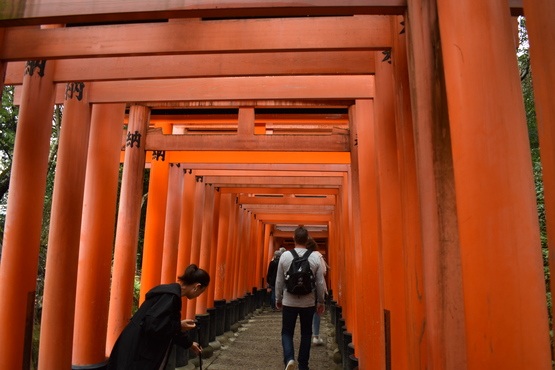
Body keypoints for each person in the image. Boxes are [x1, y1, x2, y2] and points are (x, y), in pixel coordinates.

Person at [107, 264, 210, 370]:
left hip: (134, 344)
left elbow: (164, 324)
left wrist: (188, 343)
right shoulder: (170, 297)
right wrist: (178, 326)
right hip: (138, 348)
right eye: (202, 291)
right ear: (197, 286)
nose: (199, 295)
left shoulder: (169, 293)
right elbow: (154, 325)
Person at [275, 227, 326, 370]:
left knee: (286, 332)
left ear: (294, 238)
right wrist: (320, 301)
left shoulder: (285, 256)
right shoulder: (314, 257)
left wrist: (278, 299)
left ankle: (289, 359)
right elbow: (320, 282)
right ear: (307, 239)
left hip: (289, 301)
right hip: (308, 302)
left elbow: (279, 281)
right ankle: (303, 365)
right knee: (306, 333)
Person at [305, 237, 329, 345]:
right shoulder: (317, 255)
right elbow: (323, 271)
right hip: (316, 286)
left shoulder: (302, 255)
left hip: (305, 287)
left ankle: (306, 334)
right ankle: (316, 335)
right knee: (317, 310)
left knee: (306, 311)